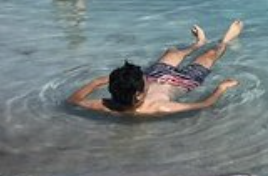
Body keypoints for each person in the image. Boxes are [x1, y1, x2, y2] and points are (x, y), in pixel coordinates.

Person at [67, 20, 244, 117]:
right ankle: (225, 41)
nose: (146, 79)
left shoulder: (106, 105)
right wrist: (221, 88)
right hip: (185, 82)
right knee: (210, 55)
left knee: (172, 52)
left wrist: (97, 81)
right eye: (145, 81)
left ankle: (198, 44)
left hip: (157, 74)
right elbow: (204, 104)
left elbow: (73, 100)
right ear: (138, 94)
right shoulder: (159, 107)